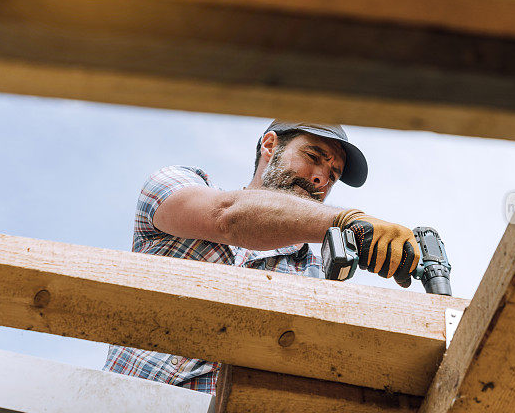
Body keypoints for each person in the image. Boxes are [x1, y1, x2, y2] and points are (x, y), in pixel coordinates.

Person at [103, 121, 420, 394]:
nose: (321, 179)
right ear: (270, 145)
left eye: (333, 175)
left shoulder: (316, 274)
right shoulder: (179, 183)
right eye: (313, 157)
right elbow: (227, 217)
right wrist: (345, 221)